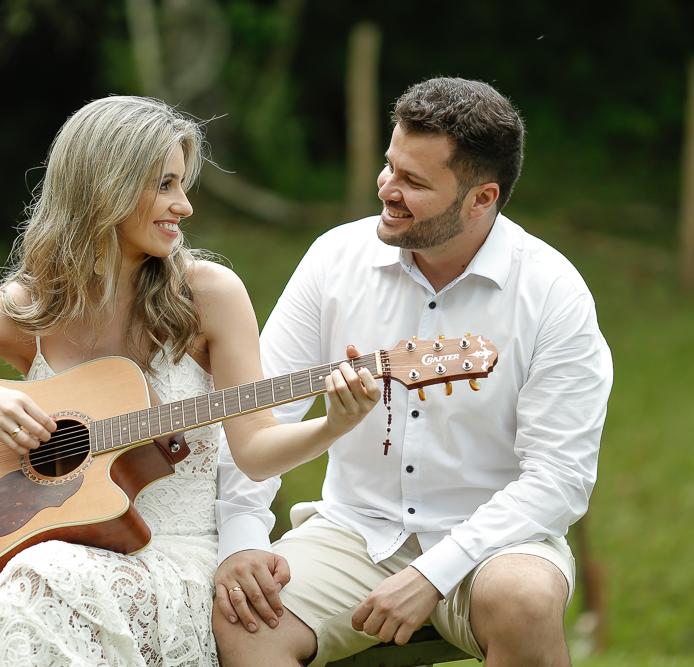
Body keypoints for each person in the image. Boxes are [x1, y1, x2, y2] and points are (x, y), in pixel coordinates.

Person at [0, 96, 381, 667]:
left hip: (177, 563)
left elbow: (257, 454)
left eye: (183, 184)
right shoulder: (28, 310)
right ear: (107, 187)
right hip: (56, 568)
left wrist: (334, 424)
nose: (185, 206)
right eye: (166, 184)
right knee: (41, 578)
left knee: (39, 581)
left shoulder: (211, 295)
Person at [212, 77, 614, 667]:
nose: (388, 189)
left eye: (414, 182)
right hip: (353, 532)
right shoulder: (333, 259)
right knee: (241, 617)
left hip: (496, 545)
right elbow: (257, 415)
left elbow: (559, 477)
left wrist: (434, 571)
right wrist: (243, 540)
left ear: (482, 198)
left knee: (525, 601)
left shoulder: (552, 292)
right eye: (389, 166)